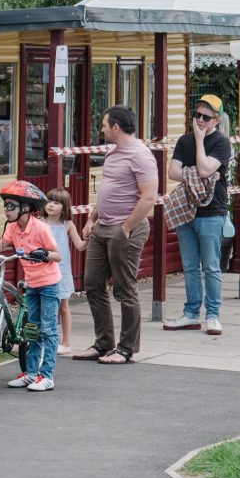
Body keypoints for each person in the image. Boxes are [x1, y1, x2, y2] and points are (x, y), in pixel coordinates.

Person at [74, 105, 158, 365]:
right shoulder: (112, 151)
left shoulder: (141, 156)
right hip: (102, 226)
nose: (101, 129)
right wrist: (91, 219)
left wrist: (126, 228)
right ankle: (103, 343)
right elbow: (107, 191)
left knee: (124, 288)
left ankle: (126, 349)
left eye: (103, 125)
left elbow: (148, 198)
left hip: (125, 229)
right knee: (92, 284)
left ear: (116, 127)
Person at [164, 92, 234, 336]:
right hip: (186, 210)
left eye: (206, 117)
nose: (200, 121)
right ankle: (191, 313)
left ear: (217, 120)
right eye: (197, 115)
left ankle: (213, 315)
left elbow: (204, 169)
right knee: (190, 266)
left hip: (212, 212)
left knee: (211, 266)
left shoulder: (222, 143)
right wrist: (196, 173)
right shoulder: (184, 141)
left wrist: (200, 142)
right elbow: (172, 172)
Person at [0, 180, 63, 392]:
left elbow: (58, 255)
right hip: (32, 284)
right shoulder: (12, 228)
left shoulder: (41, 228)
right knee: (32, 330)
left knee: (48, 330)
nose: (6, 210)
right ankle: (31, 374)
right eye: (5, 205)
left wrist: (44, 254)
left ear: (26, 208)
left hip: (49, 285)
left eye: (11, 206)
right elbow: (0, 246)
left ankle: (47, 376)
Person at [45, 188, 86, 356]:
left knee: (63, 306)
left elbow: (80, 246)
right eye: (49, 201)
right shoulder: (39, 222)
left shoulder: (68, 225)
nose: (51, 205)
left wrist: (89, 237)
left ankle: (66, 342)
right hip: (43, 270)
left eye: (56, 203)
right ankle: (49, 340)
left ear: (64, 208)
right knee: (46, 306)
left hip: (61, 270)